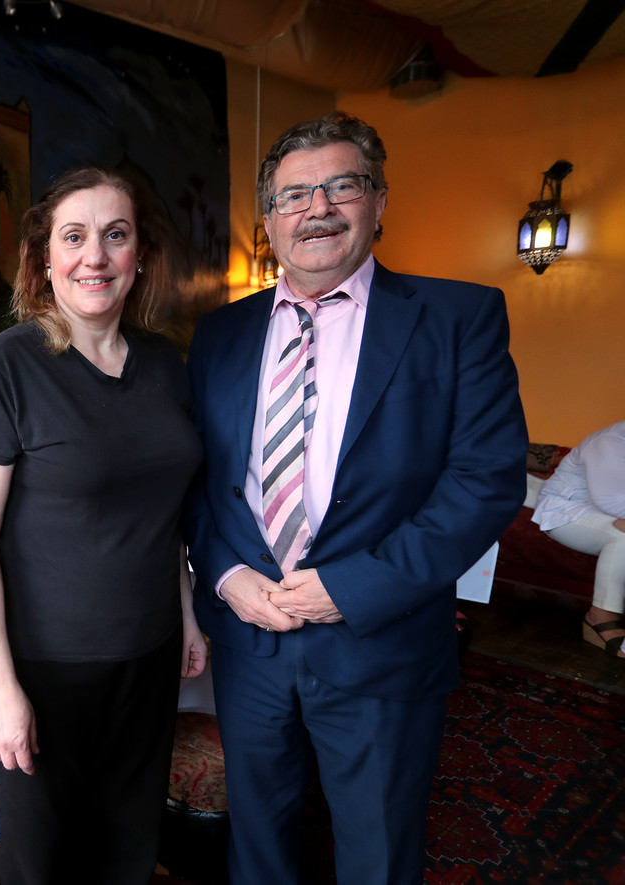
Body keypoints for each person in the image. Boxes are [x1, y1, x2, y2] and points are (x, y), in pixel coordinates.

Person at [183, 112, 527, 885]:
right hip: (252, 645)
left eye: (343, 185)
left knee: (378, 852)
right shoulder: (219, 335)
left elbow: (486, 480)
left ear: (378, 201)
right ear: (269, 220)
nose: (319, 207)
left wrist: (351, 586)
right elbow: (198, 482)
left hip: (383, 642)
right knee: (259, 846)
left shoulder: (457, 318)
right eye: (295, 193)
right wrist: (228, 575)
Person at [0, 165, 207, 885]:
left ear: (139, 256)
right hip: (46, 669)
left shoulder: (165, 364)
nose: (95, 255)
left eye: (115, 235)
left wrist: (184, 609)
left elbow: (169, 510)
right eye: (75, 236)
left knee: (129, 847)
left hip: (148, 654)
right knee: (45, 863)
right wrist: (0, 689)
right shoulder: (1, 368)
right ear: (44, 259)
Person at [532, 420, 625, 659]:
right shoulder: (610, 441)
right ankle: (600, 615)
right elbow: (612, 500)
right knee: (622, 537)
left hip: (606, 509)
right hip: (566, 510)